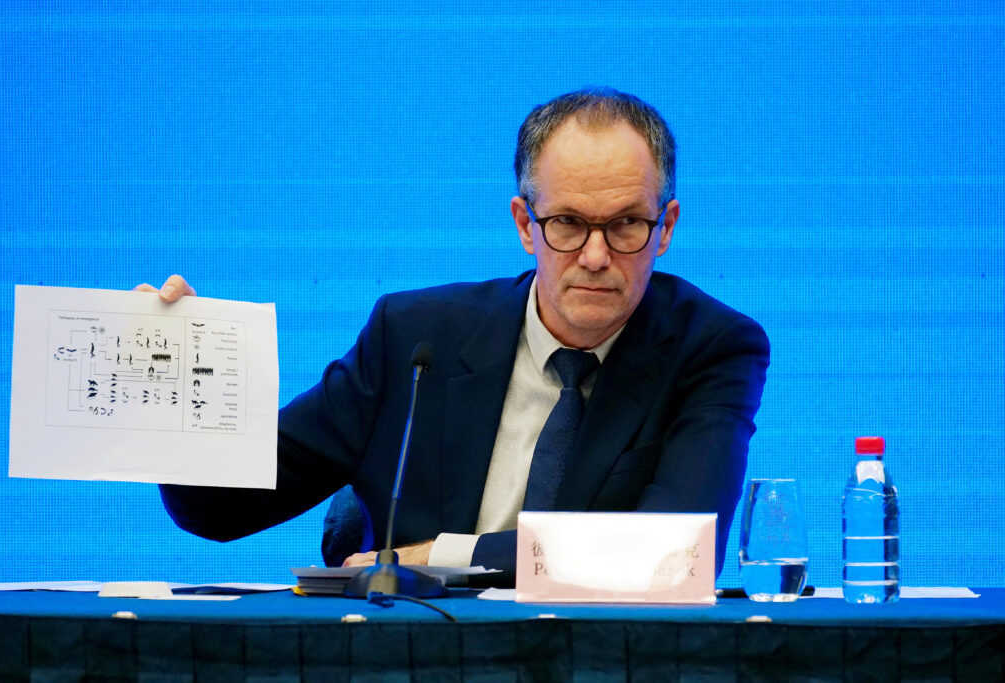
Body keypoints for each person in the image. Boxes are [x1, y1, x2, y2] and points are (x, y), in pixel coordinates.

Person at [146, 88, 769, 582]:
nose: (597, 255)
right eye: (569, 223)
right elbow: (219, 508)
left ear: (666, 228)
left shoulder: (711, 348)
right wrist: (181, 377)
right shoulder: (413, 338)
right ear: (526, 224)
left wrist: (442, 555)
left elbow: (675, 554)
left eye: (628, 224)